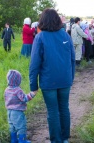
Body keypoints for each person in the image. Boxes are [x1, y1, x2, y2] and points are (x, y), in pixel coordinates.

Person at [29, 8, 75, 143]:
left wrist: (33, 86)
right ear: (57, 20)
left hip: (49, 81)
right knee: (64, 108)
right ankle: (64, 138)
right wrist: (70, 77)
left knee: (53, 111)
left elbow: (34, 64)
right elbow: (72, 59)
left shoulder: (40, 37)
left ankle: (57, 140)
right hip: (64, 79)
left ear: (42, 21)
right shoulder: (65, 35)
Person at [5, 70, 37, 143]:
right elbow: (24, 99)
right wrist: (32, 94)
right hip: (17, 113)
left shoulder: (6, 90)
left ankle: (13, 140)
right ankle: (22, 141)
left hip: (9, 112)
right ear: (18, 80)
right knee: (21, 127)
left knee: (12, 127)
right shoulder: (18, 90)